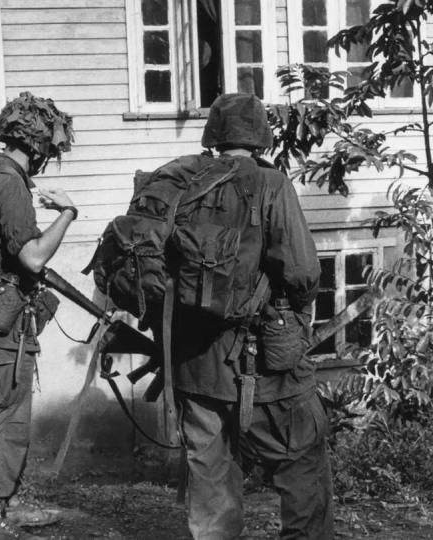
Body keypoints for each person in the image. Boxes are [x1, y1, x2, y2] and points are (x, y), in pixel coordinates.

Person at [171, 93, 334, 539]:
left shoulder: (182, 183)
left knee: (210, 469)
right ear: (260, 137)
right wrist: (297, 319)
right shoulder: (270, 184)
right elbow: (301, 270)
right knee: (300, 459)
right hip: (261, 359)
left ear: (214, 136)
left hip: (193, 361)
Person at [0, 92, 76, 540]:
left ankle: (7, 505)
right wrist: (67, 213)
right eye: (52, 148)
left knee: (12, 420)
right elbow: (33, 258)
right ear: (39, 144)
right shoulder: (8, 183)